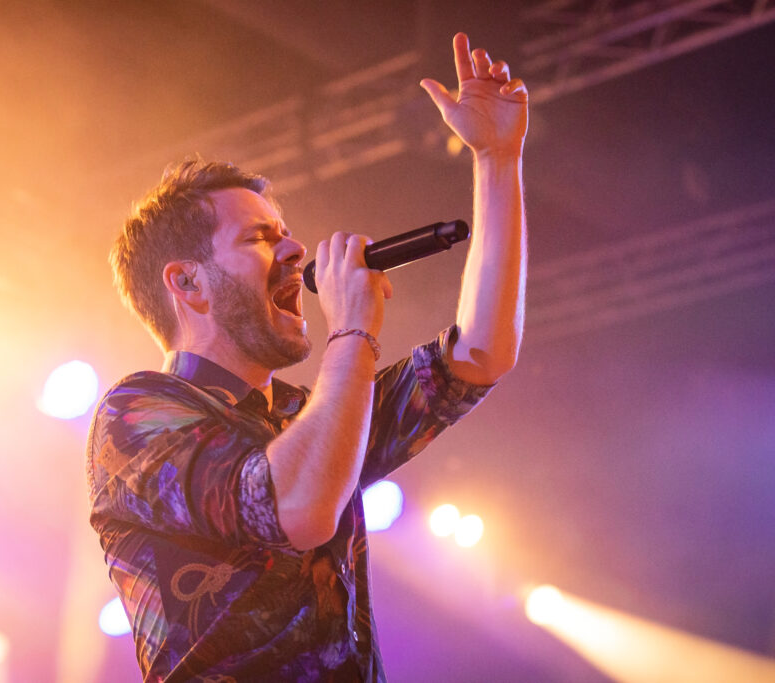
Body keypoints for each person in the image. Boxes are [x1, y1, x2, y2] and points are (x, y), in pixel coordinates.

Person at [87, 32, 527, 682]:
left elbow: (480, 355)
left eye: (288, 234)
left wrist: (497, 160)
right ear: (187, 282)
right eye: (260, 238)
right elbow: (294, 506)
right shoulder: (135, 415)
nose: (296, 251)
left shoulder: (306, 412)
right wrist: (352, 332)